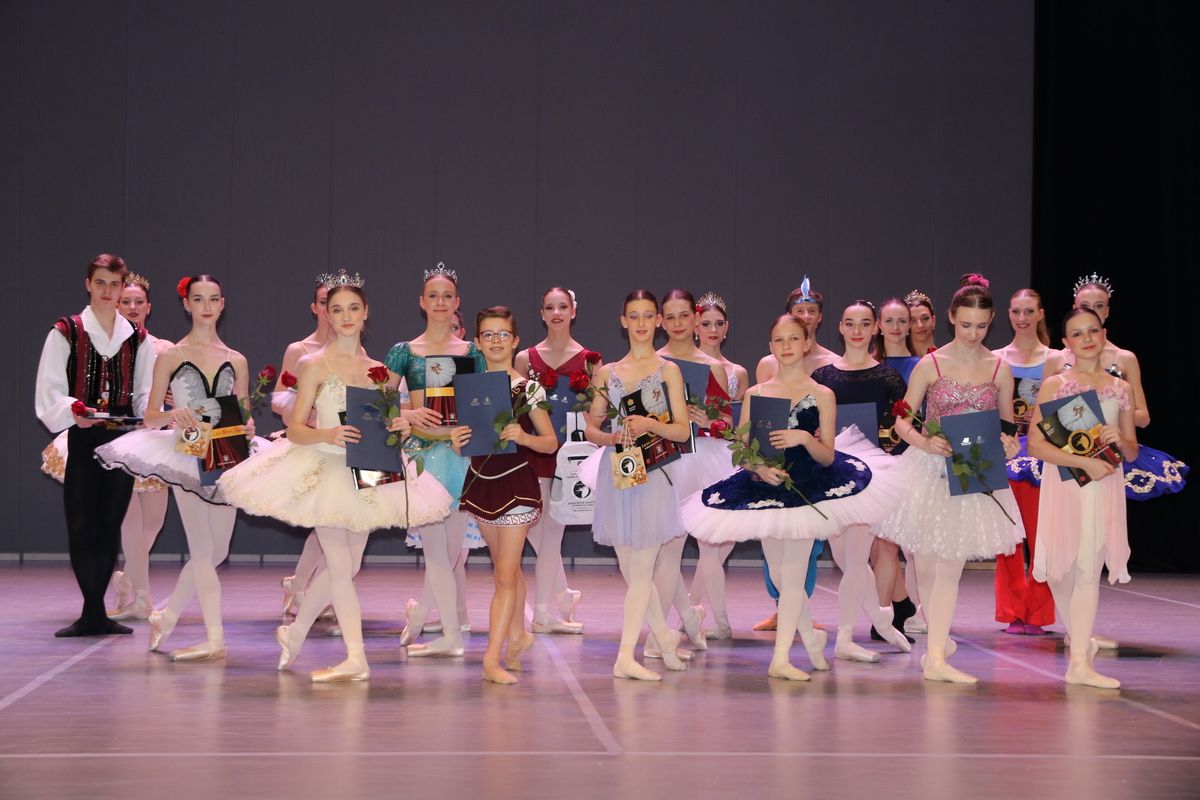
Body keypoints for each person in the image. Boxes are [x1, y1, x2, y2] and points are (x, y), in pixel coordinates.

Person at [220, 277, 452, 681]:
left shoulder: (377, 370)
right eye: (337, 309)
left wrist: (399, 422)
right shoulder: (313, 364)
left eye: (353, 308)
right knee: (341, 564)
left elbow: (383, 421)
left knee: (350, 563)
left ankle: (294, 633)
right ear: (326, 314)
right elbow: (295, 428)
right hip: (324, 466)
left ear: (365, 314)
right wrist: (327, 434)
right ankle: (355, 658)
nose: (345, 316)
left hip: (369, 466)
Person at [682, 314, 905, 679]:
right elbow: (742, 449)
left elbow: (828, 454)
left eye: (793, 339)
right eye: (779, 340)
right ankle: (811, 639)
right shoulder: (756, 393)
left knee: (792, 572)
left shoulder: (822, 394)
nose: (786, 346)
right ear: (771, 346)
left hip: (808, 487)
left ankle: (781, 658)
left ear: (806, 344)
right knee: (782, 576)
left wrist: (803, 438)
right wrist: (759, 467)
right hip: (766, 485)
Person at [95, 274, 259, 661]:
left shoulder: (236, 359)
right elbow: (150, 416)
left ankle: (166, 616)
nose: (206, 306)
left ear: (222, 304)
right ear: (187, 304)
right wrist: (173, 415)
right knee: (202, 550)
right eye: (198, 299)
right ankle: (214, 638)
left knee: (217, 551)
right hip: (187, 451)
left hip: (228, 451)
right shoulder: (171, 356)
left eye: (213, 299)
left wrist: (249, 426)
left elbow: (244, 412)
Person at [877, 274, 1024, 684]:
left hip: (973, 471)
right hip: (929, 470)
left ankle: (937, 656)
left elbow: (1008, 427)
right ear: (951, 318)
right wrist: (924, 443)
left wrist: (1009, 445)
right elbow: (901, 420)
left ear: (991, 322)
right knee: (927, 565)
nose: (973, 334)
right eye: (965, 325)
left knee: (949, 565)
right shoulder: (932, 364)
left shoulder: (1000, 368)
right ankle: (937, 645)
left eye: (981, 326)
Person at [35, 254, 155, 637]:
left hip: (121, 438)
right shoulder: (66, 331)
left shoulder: (138, 338)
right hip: (84, 434)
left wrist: (150, 417)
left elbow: (144, 393)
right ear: (88, 284)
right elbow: (50, 388)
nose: (107, 291)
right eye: (100, 282)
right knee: (81, 522)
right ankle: (91, 610)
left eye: (114, 284)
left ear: (122, 288)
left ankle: (96, 612)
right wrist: (74, 410)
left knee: (108, 523)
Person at [579, 290, 693, 680]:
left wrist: (649, 424)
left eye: (648, 316)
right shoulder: (608, 373)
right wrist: (610, 437)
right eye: (634, 316)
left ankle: (625, 656)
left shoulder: (668, 371)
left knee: (642, 571)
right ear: (623, 321)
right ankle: (664, 638)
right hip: (622, 469)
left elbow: (682, 430)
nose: (641, 323)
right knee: (632, 572)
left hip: (656, 471)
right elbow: (592, 428)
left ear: (658, 321)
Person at [1028, 308, 1138, 688]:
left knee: (1088, 569)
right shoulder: (1054, 385)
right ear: (1066, 343)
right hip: (1065, 484)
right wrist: (1081, 462)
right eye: (1077, 333)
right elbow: (1036, 444)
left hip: (1102, 486)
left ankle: (1078, 665)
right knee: (1059, 572)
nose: (1087, 339)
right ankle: (1081, 642)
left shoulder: (1120, 388)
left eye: (1093, 331)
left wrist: (1118, 439)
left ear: (1104, 334)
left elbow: (1132, 450)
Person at [386, 264, 486, 657]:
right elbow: (377, 403)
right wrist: (407, 413)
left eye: (447, 296)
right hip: (422, 457)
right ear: (422, 302)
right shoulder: (404, 352)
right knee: (434, 550)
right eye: (433, 296)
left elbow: (481, 404)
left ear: (457, 302)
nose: (440, 303)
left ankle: (427, 620)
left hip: (460, 455)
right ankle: (451, 636)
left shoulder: (472, 353)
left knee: (450, 552)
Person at [458, 307, 558, 683]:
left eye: (503, 334)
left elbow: (550, 443)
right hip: (481, 484)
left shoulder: (528, 389)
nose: (496, 341)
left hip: (517, 486)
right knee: (508, 569)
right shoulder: (468, 388)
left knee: (503, 574)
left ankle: (491, 659)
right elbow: (462, 441)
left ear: (515, 341)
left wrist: (524, 436)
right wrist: (456, 439)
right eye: (488, 334)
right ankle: (517, 635)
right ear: (478, 342)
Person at [811, 301, 913, 661]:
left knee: (855, 558)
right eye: (850, 323)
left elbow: (906, 423)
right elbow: (808, 422)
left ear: (875, 329)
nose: (857, 330)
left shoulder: (888, 377)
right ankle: (883, 620)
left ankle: (845, 638)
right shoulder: (822, 377)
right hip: (831, 473)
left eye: (865, 323)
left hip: (870, 477)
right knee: (845, 558)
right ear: (840, 327)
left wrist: (890, 453)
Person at [649, 288, 733, 654]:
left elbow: (728, 421)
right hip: (660, 457)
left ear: (695, 319)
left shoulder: (711, 367)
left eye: (685, 315)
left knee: (675, 549)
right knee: (661, 551)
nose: (678, 323)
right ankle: (683, 618)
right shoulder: (652, 361)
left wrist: (709, 420)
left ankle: (660, 635)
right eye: (670, 316)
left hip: (699, 461)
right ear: (660, 321)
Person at [513, 287, 592, 634]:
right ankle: (561, 595)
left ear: (573, 311)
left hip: (568, 457)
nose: (556, 313)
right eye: (550, 307)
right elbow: (517, 411)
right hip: (532, 451)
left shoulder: (589, 360)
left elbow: (595, 413)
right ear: (542, 314)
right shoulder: (525, 359)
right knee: (534, 528)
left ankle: (544, 611)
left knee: (552, 534)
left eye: (563, 306)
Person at [993, 289, 1056, 636]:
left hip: (1044, 455)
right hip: (1005, 454)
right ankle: (1013, 611)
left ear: (1040, 313)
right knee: (1008, 537)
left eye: (1029, 311)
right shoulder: (997, 358)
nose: (1022, 318)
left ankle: (1040, 612)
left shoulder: (1057, 359)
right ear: (1008, 314)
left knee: (1041, 535)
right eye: (1016, 311)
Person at [688, 291, 749, 639]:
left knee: (720, 542)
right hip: (691, 454)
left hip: (724, 454)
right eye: (706, 323)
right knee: (707, 541)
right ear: (695, 327)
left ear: (727, 328)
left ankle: (692, 610)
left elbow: (738, 421)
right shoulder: (683, 366)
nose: (712, 330)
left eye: (718, 324)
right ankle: (716, 619)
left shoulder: (737, 372)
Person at [867, 296, 920, 638]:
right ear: (879, 325)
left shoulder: (921, 366)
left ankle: (883, 618)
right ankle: (900, 604)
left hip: (908, 457)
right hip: (872, 459)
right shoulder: (868, 365)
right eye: (890, 320)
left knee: (888, 539)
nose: (896, 327)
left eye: (903, 320)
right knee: (876, 544)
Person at [755, 277, 838, 382]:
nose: (806, 316)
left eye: (812, 311)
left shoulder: (834, 364)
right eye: (800, 311)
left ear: (820, 317)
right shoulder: (768, 364)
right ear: (789, 316)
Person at [905, 289, 938, 356]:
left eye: (925, 318)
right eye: (913, 320)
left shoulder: (947, 358)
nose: (920, 325)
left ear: (933, 320)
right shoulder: (901, 361)